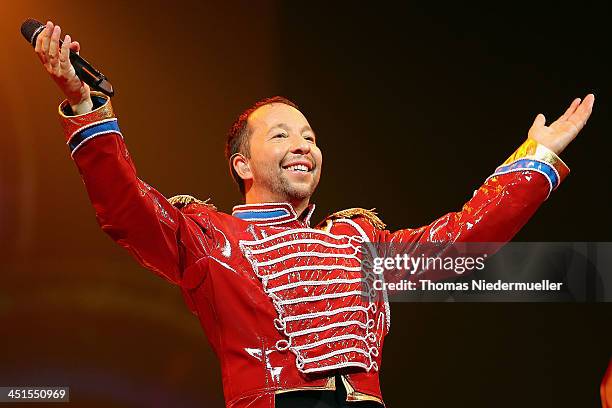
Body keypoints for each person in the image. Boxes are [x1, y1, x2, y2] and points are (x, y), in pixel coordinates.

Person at [32, 21, 594, 408]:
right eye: (281, 135)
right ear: (242, 164)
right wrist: (85, 108)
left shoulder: (357, 241)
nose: (303, 145)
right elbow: (126, 208)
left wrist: (536, 155)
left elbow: (460, 240)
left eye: (310, 136)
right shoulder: (209, 238)